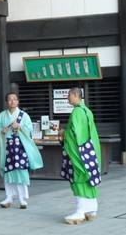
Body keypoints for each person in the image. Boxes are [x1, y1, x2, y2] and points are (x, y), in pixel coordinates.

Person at [59, 87, 101, 225]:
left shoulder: (77, 111)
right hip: (89, 150)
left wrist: (63, 134)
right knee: (88, 176)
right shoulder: (87, 111)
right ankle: (92, 209)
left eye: (69, 95)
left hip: (78, 151)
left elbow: (75, 134)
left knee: (79, 177)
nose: (68, 98)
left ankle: (80, 211)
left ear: (76, 95)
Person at [0, 92, 43, 209]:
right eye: (10, 99)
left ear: (18, 101)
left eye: (14, 99)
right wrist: (1, 131)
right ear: (7, 102)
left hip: (20, 147)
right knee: (8, 172)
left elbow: (30, 131)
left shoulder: (24, 116)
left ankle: (22, 198)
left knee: (21, 171)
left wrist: (20, 127)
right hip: (7, 147)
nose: (12, 101)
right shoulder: (1, 116)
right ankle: (8, 197)